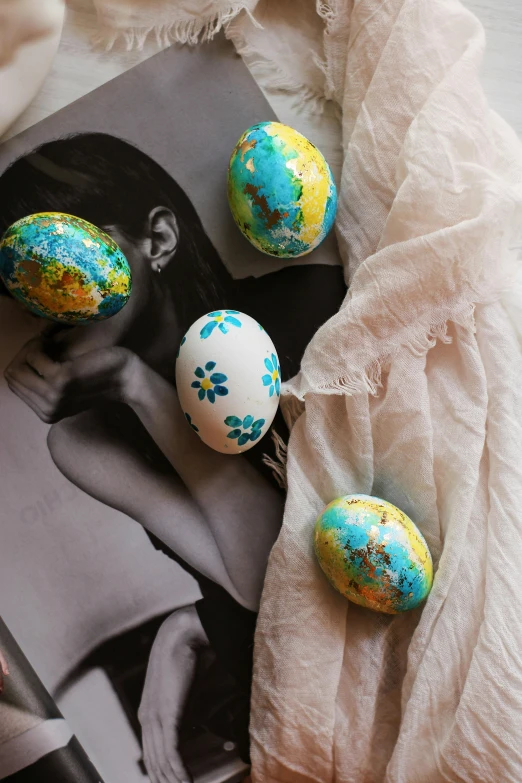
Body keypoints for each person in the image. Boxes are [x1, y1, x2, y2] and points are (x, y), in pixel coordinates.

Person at [0, 133, 346, 783]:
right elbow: (258, 576)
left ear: (156, 240)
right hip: (286, 675)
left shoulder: (310, 310)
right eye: (25, 279)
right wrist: (136, 383)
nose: (49, 294)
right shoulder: (86, 436)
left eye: (69, 259)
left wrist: (183, 624)